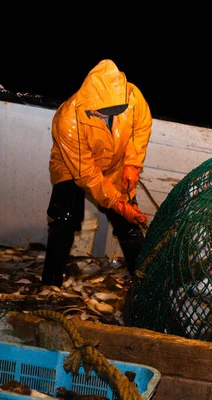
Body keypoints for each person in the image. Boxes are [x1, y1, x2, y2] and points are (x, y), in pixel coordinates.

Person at [41, 59, 152, 287]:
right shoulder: (67, 120)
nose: (108, 116)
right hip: (73, 167)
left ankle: (144, 283)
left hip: (115, 163)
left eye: (115, 111)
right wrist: (116, 202)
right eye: (103, 113)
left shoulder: (131, 96)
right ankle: (50, 285)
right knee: (64, 220)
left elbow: (141, 128)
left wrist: (132, 164)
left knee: (128, 224)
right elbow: (86, 174)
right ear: (91, 103)